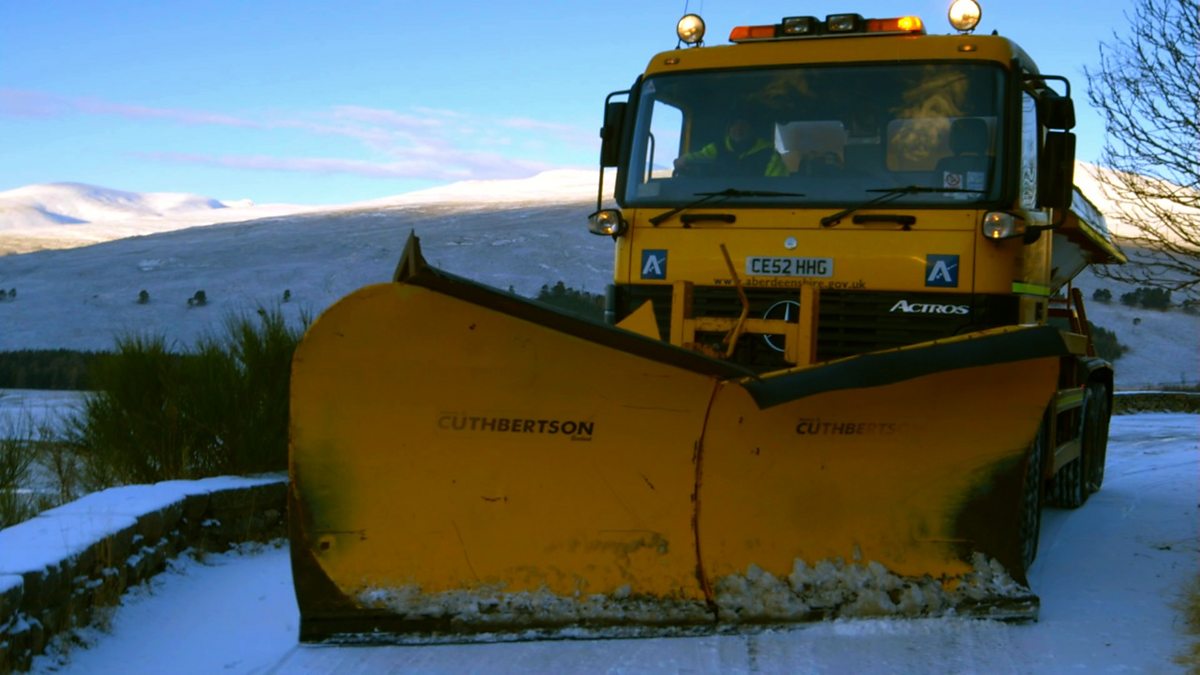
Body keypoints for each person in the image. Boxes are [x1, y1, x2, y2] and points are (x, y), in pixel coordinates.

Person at [674, 117, 788, 177]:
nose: (738, 129)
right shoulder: (717, 148)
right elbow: (699, 156)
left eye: (743, 125)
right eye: (734, 124)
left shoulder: (769, 154)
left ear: (753, 129)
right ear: (728, 129)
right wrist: (683, 159)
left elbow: (776, 188)